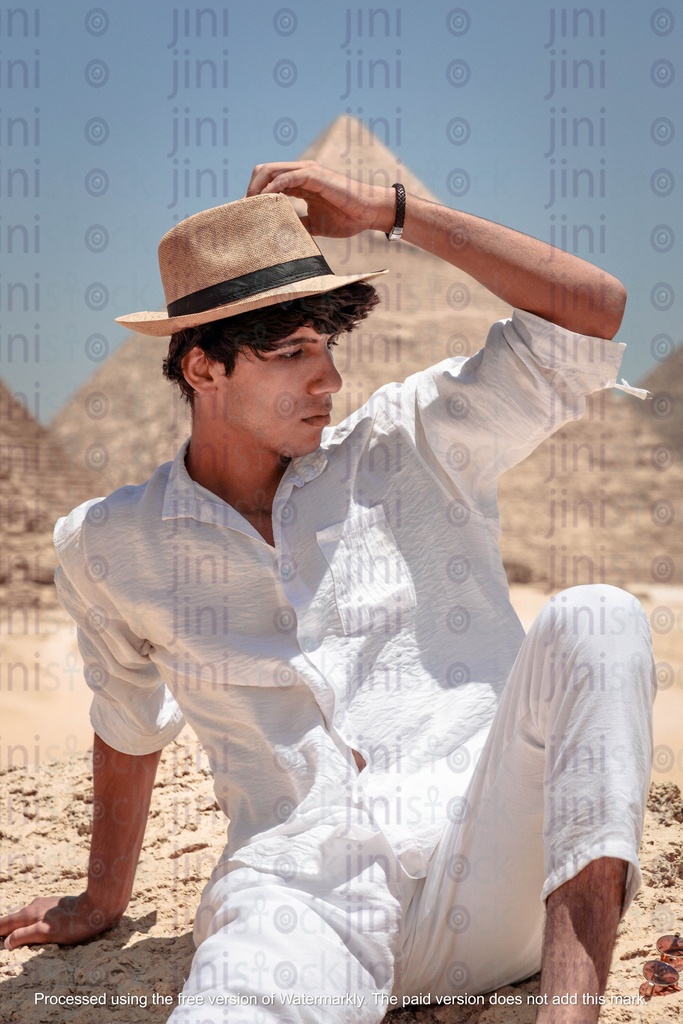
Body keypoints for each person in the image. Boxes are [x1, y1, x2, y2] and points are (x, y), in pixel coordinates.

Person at [0, 161, 654, 1023]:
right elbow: (127, 718)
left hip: (492, 871)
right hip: (302, 901)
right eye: (290, 353)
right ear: (202, 367)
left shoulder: (412, 443)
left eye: (328, 347)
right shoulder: (111, 544)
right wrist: (99, 902)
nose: (329, 380)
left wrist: (390, 210)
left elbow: (592, 311)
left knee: (598, 616)